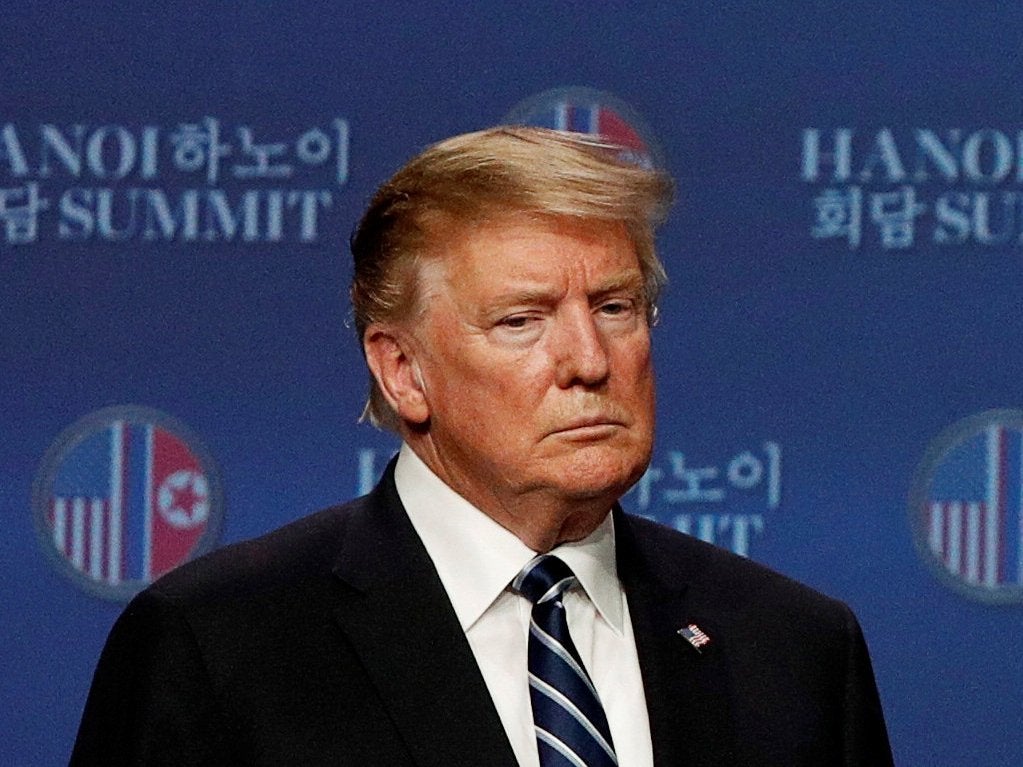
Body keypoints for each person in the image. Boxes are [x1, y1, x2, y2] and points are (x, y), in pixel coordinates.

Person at [70, 126, 893, 766]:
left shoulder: (793, 647)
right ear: (402, 372)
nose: (588, 360)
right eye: (521, 320)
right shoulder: (219, 647)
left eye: (615, 306)